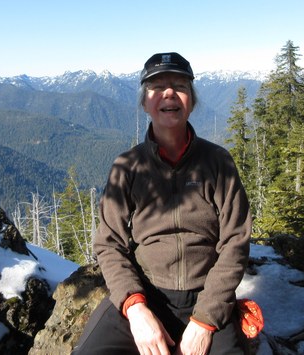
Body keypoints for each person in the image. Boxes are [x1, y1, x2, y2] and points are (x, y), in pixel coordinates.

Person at [73, 52, 252, 355]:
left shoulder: (218, 162)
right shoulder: (127, 167)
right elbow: (109, 243)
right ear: (145, 103)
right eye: (157, 87)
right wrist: (135, 308)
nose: (169, 93)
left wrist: (206, 320)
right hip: (146, 293)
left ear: (192, 101)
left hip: (206, 296)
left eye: (180, 86)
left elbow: (236, 241)